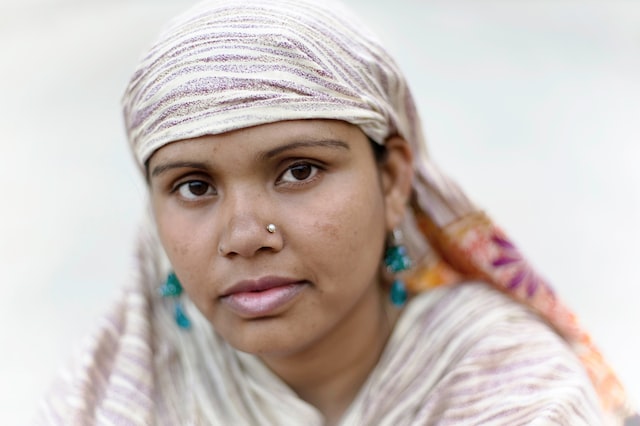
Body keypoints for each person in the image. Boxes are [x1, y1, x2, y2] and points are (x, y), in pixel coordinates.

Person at [36, 0, 637, 424]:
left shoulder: (512, 393)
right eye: (194, 187)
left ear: (394, 176)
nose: (245, 237)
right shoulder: (106, 394)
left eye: (299, 171)